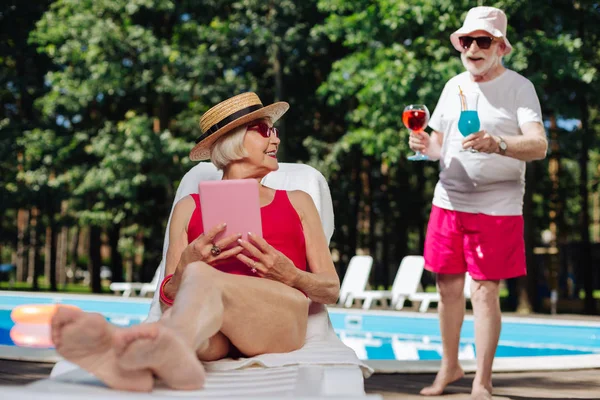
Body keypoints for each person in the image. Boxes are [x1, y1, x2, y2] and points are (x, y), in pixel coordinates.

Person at [51, 92, 341, 392]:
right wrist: (185, 267)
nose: (276, 140)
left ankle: (127, 346)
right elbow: (168, 296)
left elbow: (331, 290)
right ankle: (146, 361)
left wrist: (290, 274)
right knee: (195, 319)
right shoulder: (189, 208)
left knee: (201, 278)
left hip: (279, 323)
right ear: (234, 141)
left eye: (274, 131)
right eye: (265, 131)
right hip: (214, 330)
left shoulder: (297, 202)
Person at [408, 7, 547, 400]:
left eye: (482, 40)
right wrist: (423, 144)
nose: (472, 47)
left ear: (500, 47)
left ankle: (482, 382)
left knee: (483, 291)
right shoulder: (453, 86)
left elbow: (539, 146)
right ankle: (449, 367)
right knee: (447, 287)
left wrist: (498, 143)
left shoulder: (520, 88)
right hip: (448, 201)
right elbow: (438, 145)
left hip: (496, 206)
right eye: (466, 40)